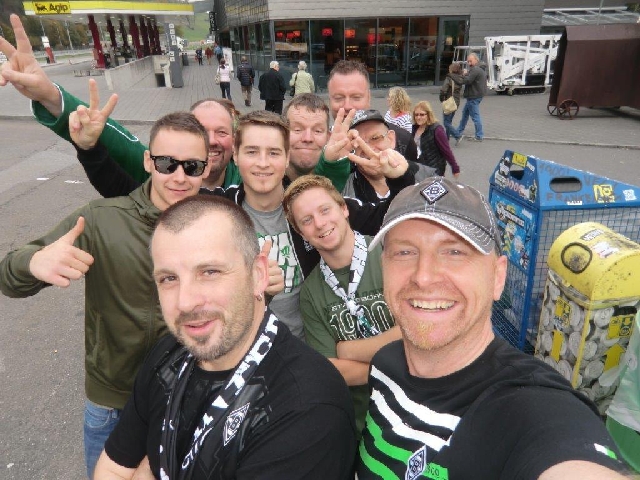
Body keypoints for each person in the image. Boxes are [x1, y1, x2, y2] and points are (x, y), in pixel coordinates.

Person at [357, 177, 631, 479]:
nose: (423, 277)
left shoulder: (529, 408)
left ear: (497, 277)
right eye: (404, 252)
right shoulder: (385, 365)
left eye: (455, 252)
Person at [0, 99, 213, 478]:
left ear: (206, 168)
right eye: (167, 163)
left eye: (191, 166)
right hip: (112, 405)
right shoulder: (102, 221)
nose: (179, 176)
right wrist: (32, 263)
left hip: (187, 401)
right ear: (148, 161)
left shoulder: (216, 230)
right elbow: (8, 277)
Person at [93, 195, 358, 480]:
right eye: (169, 278)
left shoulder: (307, 408)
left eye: (209, 272)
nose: (185, 302)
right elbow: (111, 470)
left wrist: (147, 469)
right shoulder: (168, 355)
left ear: (258, 275)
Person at [283, 175, 400, 437]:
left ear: (344, 209)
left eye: (325, 210)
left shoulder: (388, 254)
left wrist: (348, 349)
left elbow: (414, 334)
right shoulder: (311, 292)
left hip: (416, 409)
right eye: (307, 220)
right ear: (302, 234)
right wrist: (399, 364)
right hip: (361, 425)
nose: (320, 223)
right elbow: (333, 370)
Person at [327, 60, 417, 162]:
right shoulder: (319, 143)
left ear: (369, 98)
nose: (347, 106)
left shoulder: (402, 140)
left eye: (356, 97)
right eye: (338, 98)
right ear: (329, 101)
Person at [342, 109, 436, 203]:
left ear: (391, 139)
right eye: (358, 143)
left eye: (375, 138)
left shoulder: (428, 178)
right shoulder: (342, 191)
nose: (368, 149)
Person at [412, 100, 460, 177]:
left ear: (428, 115)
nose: (418, 117)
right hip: (419, 169)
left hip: (434, 171)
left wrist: (455, 168)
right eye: (416, 115)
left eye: (422, 114)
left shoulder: (437, 130)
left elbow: (446, 151)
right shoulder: (414, 128)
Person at [452, 52, 487, 145]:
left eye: (470, 61)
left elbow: (468, 80)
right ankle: (458, 132)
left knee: (475, 116)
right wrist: (466, 74)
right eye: (468, 61)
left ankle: (479, 136)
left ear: (476, 60)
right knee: (465, 114)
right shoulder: (478, 69)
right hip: (475, 95)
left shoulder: (475, 69)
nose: (469, 63)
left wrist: (463, 75)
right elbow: (470, 77)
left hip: (474, 96)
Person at [439, 61, 464, 139]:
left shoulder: (449, 78)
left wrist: (441, 99)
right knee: (449, 121)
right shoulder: (460, 78)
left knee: (446, 122)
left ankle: (457, 135)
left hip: (449, 101)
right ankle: (447, 138)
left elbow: (443, 90)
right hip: (456, 101)